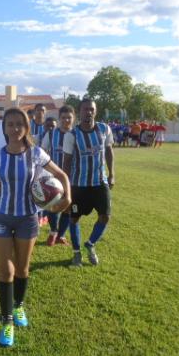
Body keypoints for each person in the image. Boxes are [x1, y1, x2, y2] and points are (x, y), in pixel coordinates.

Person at [0, 108, 71, 347]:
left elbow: (62, 175)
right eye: (10, 124)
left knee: (22, 269)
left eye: (19, 124)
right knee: (5, 271)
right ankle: (7, 322)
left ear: (27, 127)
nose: (15, 128)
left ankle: (18, 306)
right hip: (2, 218)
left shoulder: (36, 154)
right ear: (4, 128)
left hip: (28, 218)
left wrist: (66, 197)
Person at [62, 99, 115, 267]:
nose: (88, 112)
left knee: (105, 216)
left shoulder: (104, 129)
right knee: (74, 219)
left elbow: (109, 151)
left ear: (95, 111)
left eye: (91, 109)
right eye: (85, 109)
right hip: (78, 185)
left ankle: (90, 245)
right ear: (80, 112)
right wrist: (66, 188)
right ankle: (77, 253)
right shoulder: (72, 135)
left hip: (100, 182)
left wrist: (112, 174)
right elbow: (67, 162)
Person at [40, 105, 74, 246]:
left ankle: (61, 235)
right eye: (63, 118)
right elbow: (42, 151)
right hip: (54, 176)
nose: (66, 120)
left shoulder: (77, 134)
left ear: (73, 118)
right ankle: (54, 231)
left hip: (73, 176)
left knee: (68, 205)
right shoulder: (51, 134)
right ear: (59, 119)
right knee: (53, 204)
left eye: (69, 118)